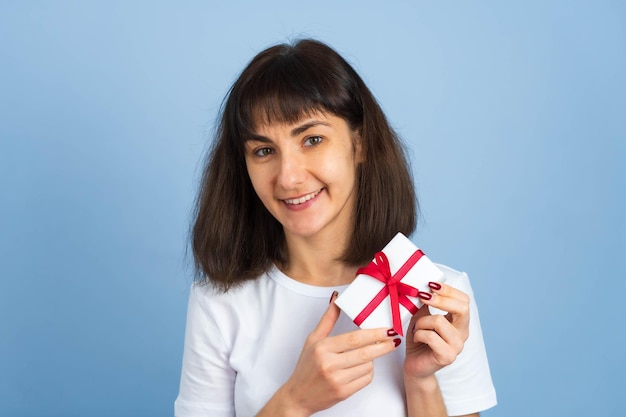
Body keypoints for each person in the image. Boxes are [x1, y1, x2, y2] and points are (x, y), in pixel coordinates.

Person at [175, 38, 497, 417]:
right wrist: (294, 401)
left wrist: (421, 380)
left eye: (312, 140)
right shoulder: (220, 304)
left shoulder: (437, 296)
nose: (289, 177)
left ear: (359, 145)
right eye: (264, 150)